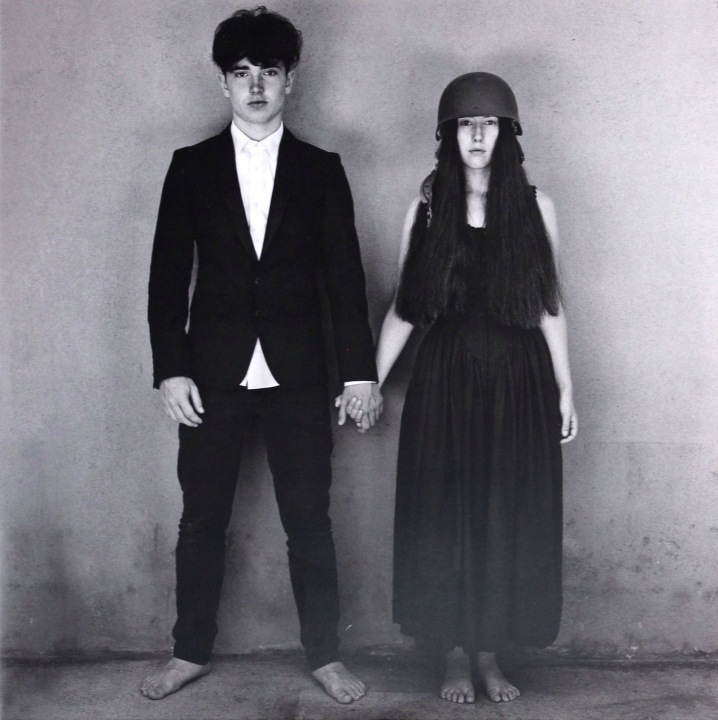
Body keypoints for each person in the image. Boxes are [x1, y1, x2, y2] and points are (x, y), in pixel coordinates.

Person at [141, 6, 382, 704]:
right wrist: (171, 369)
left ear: (290, 81)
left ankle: (325, 656)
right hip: (210, 373)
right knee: (200, 519)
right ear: (223, 82)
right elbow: (165, 278)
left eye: (268, 72)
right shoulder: (190, 167)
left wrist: (359, 374)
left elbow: (345, 279)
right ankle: (188, 651)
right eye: (241, 73)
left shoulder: (321, 170)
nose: (255, 86)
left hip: (298, 372)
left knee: (309, 520)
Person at [369, 72, 577, 704]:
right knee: (447, 516)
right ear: (448, 135)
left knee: (503, 517)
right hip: (447, 382)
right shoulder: (427, 209)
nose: (478, 135)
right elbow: (405, 308)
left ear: (509, 134)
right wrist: (368, 382)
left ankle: (489, 654)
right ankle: (454, 657)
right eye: (466, 124)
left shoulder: (536, 207)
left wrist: (566, 388)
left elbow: (549, 304)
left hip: (519, 382)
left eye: (489, 124)